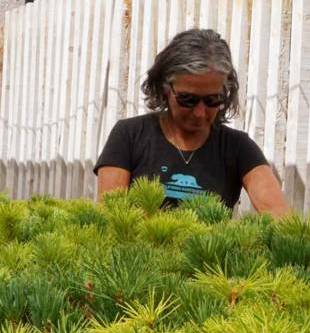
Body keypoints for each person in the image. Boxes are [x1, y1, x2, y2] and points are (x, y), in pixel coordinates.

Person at [94, 29, 289, 218]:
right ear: (165, 88)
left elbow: (280, 218)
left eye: (213, 100)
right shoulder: (130, 135)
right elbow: (110, 217)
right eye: (188, 99)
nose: (199, 112)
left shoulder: (238, 147)